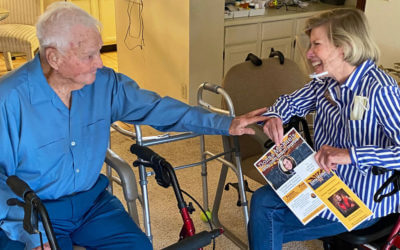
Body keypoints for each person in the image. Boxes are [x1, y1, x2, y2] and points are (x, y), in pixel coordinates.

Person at [0, 2, 269, 250]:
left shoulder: (105, 84)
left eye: (99, 51)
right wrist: (29, 236)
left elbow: (159, 108)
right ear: (54, 58)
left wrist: (227, 123)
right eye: (89, 55)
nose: (101, 62)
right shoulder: (9, 99)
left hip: (91, 204)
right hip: (32, 213)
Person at [248, 8, 399, 249]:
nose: (308, 53)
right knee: (262, 200)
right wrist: (276, 114)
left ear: (344, 47)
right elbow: (290, 102)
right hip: (323, 181)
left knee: (266, 221)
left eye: (316, 44)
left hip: (360, 201)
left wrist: (350, 155)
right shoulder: (325, 82)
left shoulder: (380, 89)